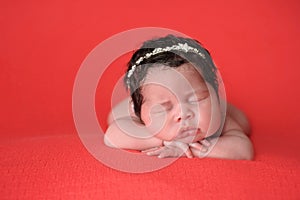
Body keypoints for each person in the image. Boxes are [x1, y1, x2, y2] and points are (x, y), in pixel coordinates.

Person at [104, 35, 253, 160]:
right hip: (130, 110)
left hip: (219, 107)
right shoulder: (143, 118)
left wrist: (192, 150)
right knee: (113, 116)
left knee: (243, 122)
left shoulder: (221, 116)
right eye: (162, 109)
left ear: (215, 92)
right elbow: (111, 136)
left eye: (197, 99)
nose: (184, 114)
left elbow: (244, 150)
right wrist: (163, 140)